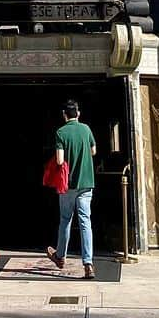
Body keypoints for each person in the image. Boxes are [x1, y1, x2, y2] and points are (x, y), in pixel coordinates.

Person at [46, 99, 97, 279]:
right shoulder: (86, 129)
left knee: (65, 220)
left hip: (68, 185)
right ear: (78, 113)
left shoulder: (61, 132)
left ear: (64, 114)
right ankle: (88, 263)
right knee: (85, 222)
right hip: (86, 183)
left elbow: (60, 160)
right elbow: (93, 151)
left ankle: (60, 256)